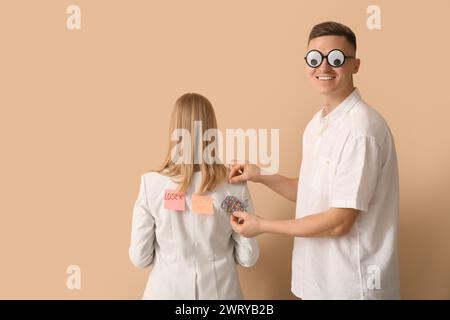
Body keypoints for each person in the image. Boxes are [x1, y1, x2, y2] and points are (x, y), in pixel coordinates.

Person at [228, 21, 400, 299]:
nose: (323, 68)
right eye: (314, 59)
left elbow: (339, 221)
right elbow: (311, 192)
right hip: (316, 282)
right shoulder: (317, 124)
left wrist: (263, 225)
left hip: (351, 286)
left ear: (355, 65)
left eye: (335, 59)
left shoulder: (362, 130)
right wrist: (259, 175)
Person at [129, 93, 259, 299]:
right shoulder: (234, 186)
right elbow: (249, 257)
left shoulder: (150, 185)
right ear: (212, 131)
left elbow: (140, 258)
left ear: (174, 131)